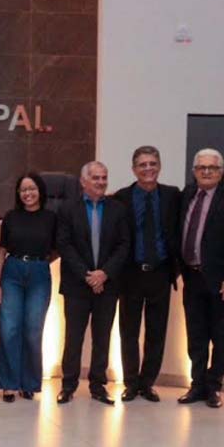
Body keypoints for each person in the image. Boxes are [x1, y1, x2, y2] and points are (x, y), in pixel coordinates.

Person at [56, 161, 129, 405]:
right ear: (83, 182)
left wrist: (104, 274)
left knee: (102, 337)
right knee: (73, 337)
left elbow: (123, 245)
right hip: (77, 285)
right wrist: (88, 275)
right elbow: (64, 245)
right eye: (95, 178)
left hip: (107, 286)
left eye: (104, 177)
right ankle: (68, 385)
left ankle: (98, 386)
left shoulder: (118, 209)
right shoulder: (67, 209)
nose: (101, 182)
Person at [178, 148, 224, 408]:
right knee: (195, 335)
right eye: (201, 167)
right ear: (194, 171)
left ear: (221, 171)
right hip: (192, 278)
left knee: (220, 336)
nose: (207, 172)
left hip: (221, 282)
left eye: (212, 168)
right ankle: (197, 385)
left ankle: (214, 387)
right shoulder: (187, 195)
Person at [113, 146, 181, 403]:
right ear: (134, 169)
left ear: (159, 166)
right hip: (130, 274)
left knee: (156, 332)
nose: (148, 168)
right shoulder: (121, 197)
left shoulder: (173, 195)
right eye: (142, 164)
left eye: (152, 163)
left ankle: (148, 383)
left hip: (161, 273)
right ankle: (130, 383)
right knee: (128, 331)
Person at [0, 173, 55, 402]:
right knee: (9, 329)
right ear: (18, 194)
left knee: (33, 330)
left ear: (40, 190)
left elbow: (56, 248)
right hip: (12, 273)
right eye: (23, 190)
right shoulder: (11, 217)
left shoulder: (51, 218)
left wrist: (40, 264)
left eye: (32, 189)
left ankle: (28, 383)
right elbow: (1, 251)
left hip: (39, 274)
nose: (28, 193)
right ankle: (9, 383)